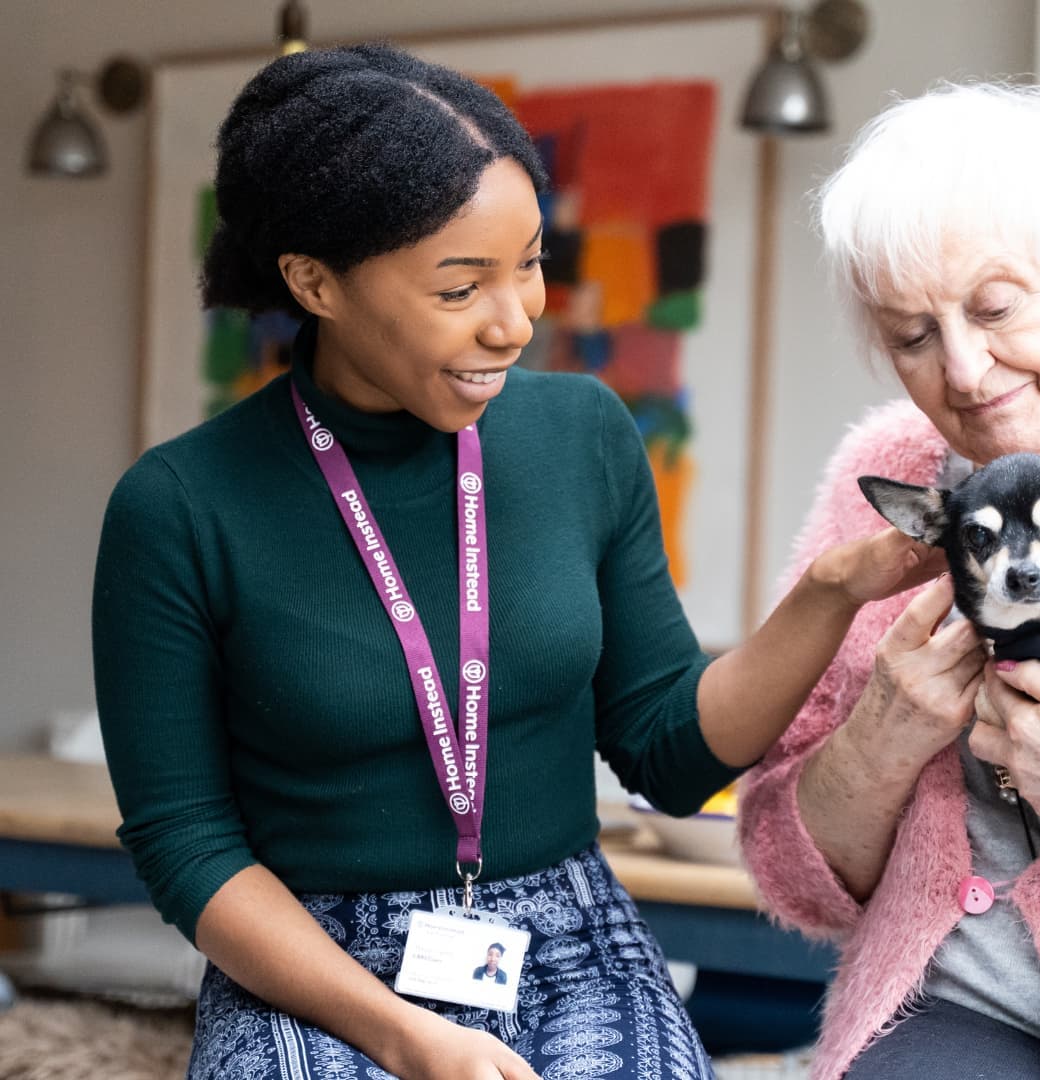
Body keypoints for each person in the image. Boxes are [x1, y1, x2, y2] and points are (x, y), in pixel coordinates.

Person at [91, 44, 934, 1080]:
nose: (516, 317)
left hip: (570, 928)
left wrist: (828, 594)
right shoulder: (179, 506)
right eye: (461, 286)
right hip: (310, 955)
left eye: (530, 263)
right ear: (316, 282)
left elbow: (669, 752)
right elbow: (188, 845)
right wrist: (406, 1036)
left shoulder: (582, 434)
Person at [738, 82, 1040, 1080]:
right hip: (947, 1025)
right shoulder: (889, 485)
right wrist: (883, 734)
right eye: (911, 335)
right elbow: (790, 875)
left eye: (994, 309)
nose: (962, 370)